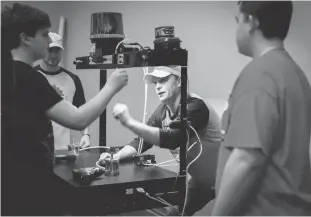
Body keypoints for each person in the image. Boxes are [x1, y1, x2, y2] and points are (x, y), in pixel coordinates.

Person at [1, 3, 128, 215]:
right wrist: (111, 86)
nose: (50, 40)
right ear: (25, 38)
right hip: (27, 184)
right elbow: (79, 119)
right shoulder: (29, 77)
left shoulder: (9, 74)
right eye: (44, 35)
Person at [211, 1, 311, 215]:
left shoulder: (260, 75)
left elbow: (247, 160)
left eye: (237, 20)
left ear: (250, 22)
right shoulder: (295, 74)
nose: (236, 28)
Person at [98, 66, 221, 216]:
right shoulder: (163, 111)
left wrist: (128, 121)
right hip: (200, 183)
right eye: (155, 82)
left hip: (225, 180)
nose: (157, 86)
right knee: (171, 213)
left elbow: (173, 139)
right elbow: (141, 142)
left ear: (179, 81)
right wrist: (115, 156)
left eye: (162, 80)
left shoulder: (196, 107)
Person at [34, 32, 91, 150]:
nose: (54, 55)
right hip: (36, 149)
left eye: (57, 51)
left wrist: (86, 135)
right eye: (50, 50)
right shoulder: (32, 76)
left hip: (63, 150)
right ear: (43, 50)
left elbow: (81, 110)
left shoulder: (72, 79)